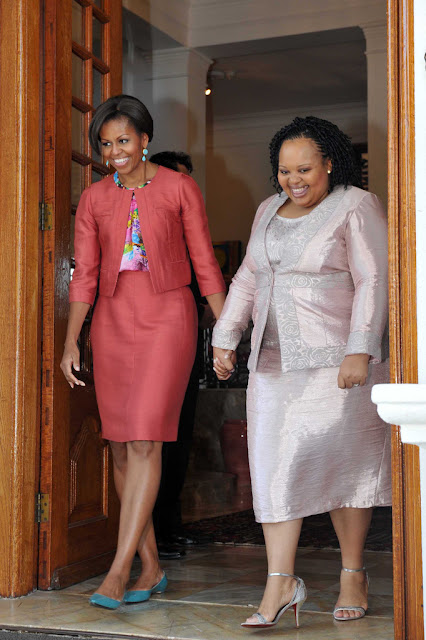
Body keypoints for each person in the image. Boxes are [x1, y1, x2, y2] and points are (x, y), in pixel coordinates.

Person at [212, 116, 390, 629]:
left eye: (305, 169)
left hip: (337, 366)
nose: (294, 180)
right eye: (285, 170)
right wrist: (226, 335)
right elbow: (248, 276)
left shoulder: (356, 205)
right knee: (273, 470)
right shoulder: (267, 210)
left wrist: (360, 348)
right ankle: (280, 581)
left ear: (329, 163)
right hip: (272, 364)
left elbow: (374, 278)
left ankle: (353, 573)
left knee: (346, 470)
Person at [60, 95, 226, 609]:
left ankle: (118, 570)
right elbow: (85, 274)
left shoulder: (179, 187)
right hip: (111, 321)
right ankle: (151, 567)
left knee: (146, 440)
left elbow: (204, 260)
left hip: (168, 318)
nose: (114, 152)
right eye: (106, 144)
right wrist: (72, 339)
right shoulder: (94, 199)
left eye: (124, 140)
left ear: (145, 140)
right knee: (118, 444)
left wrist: (225, 327)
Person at [150, 150, 214, 557]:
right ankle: (152, 533)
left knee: (181, 436)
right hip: (152, 345)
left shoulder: (189, 234)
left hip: (186, 345)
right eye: (180, 180)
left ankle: (170, 526)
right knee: (155, 439)